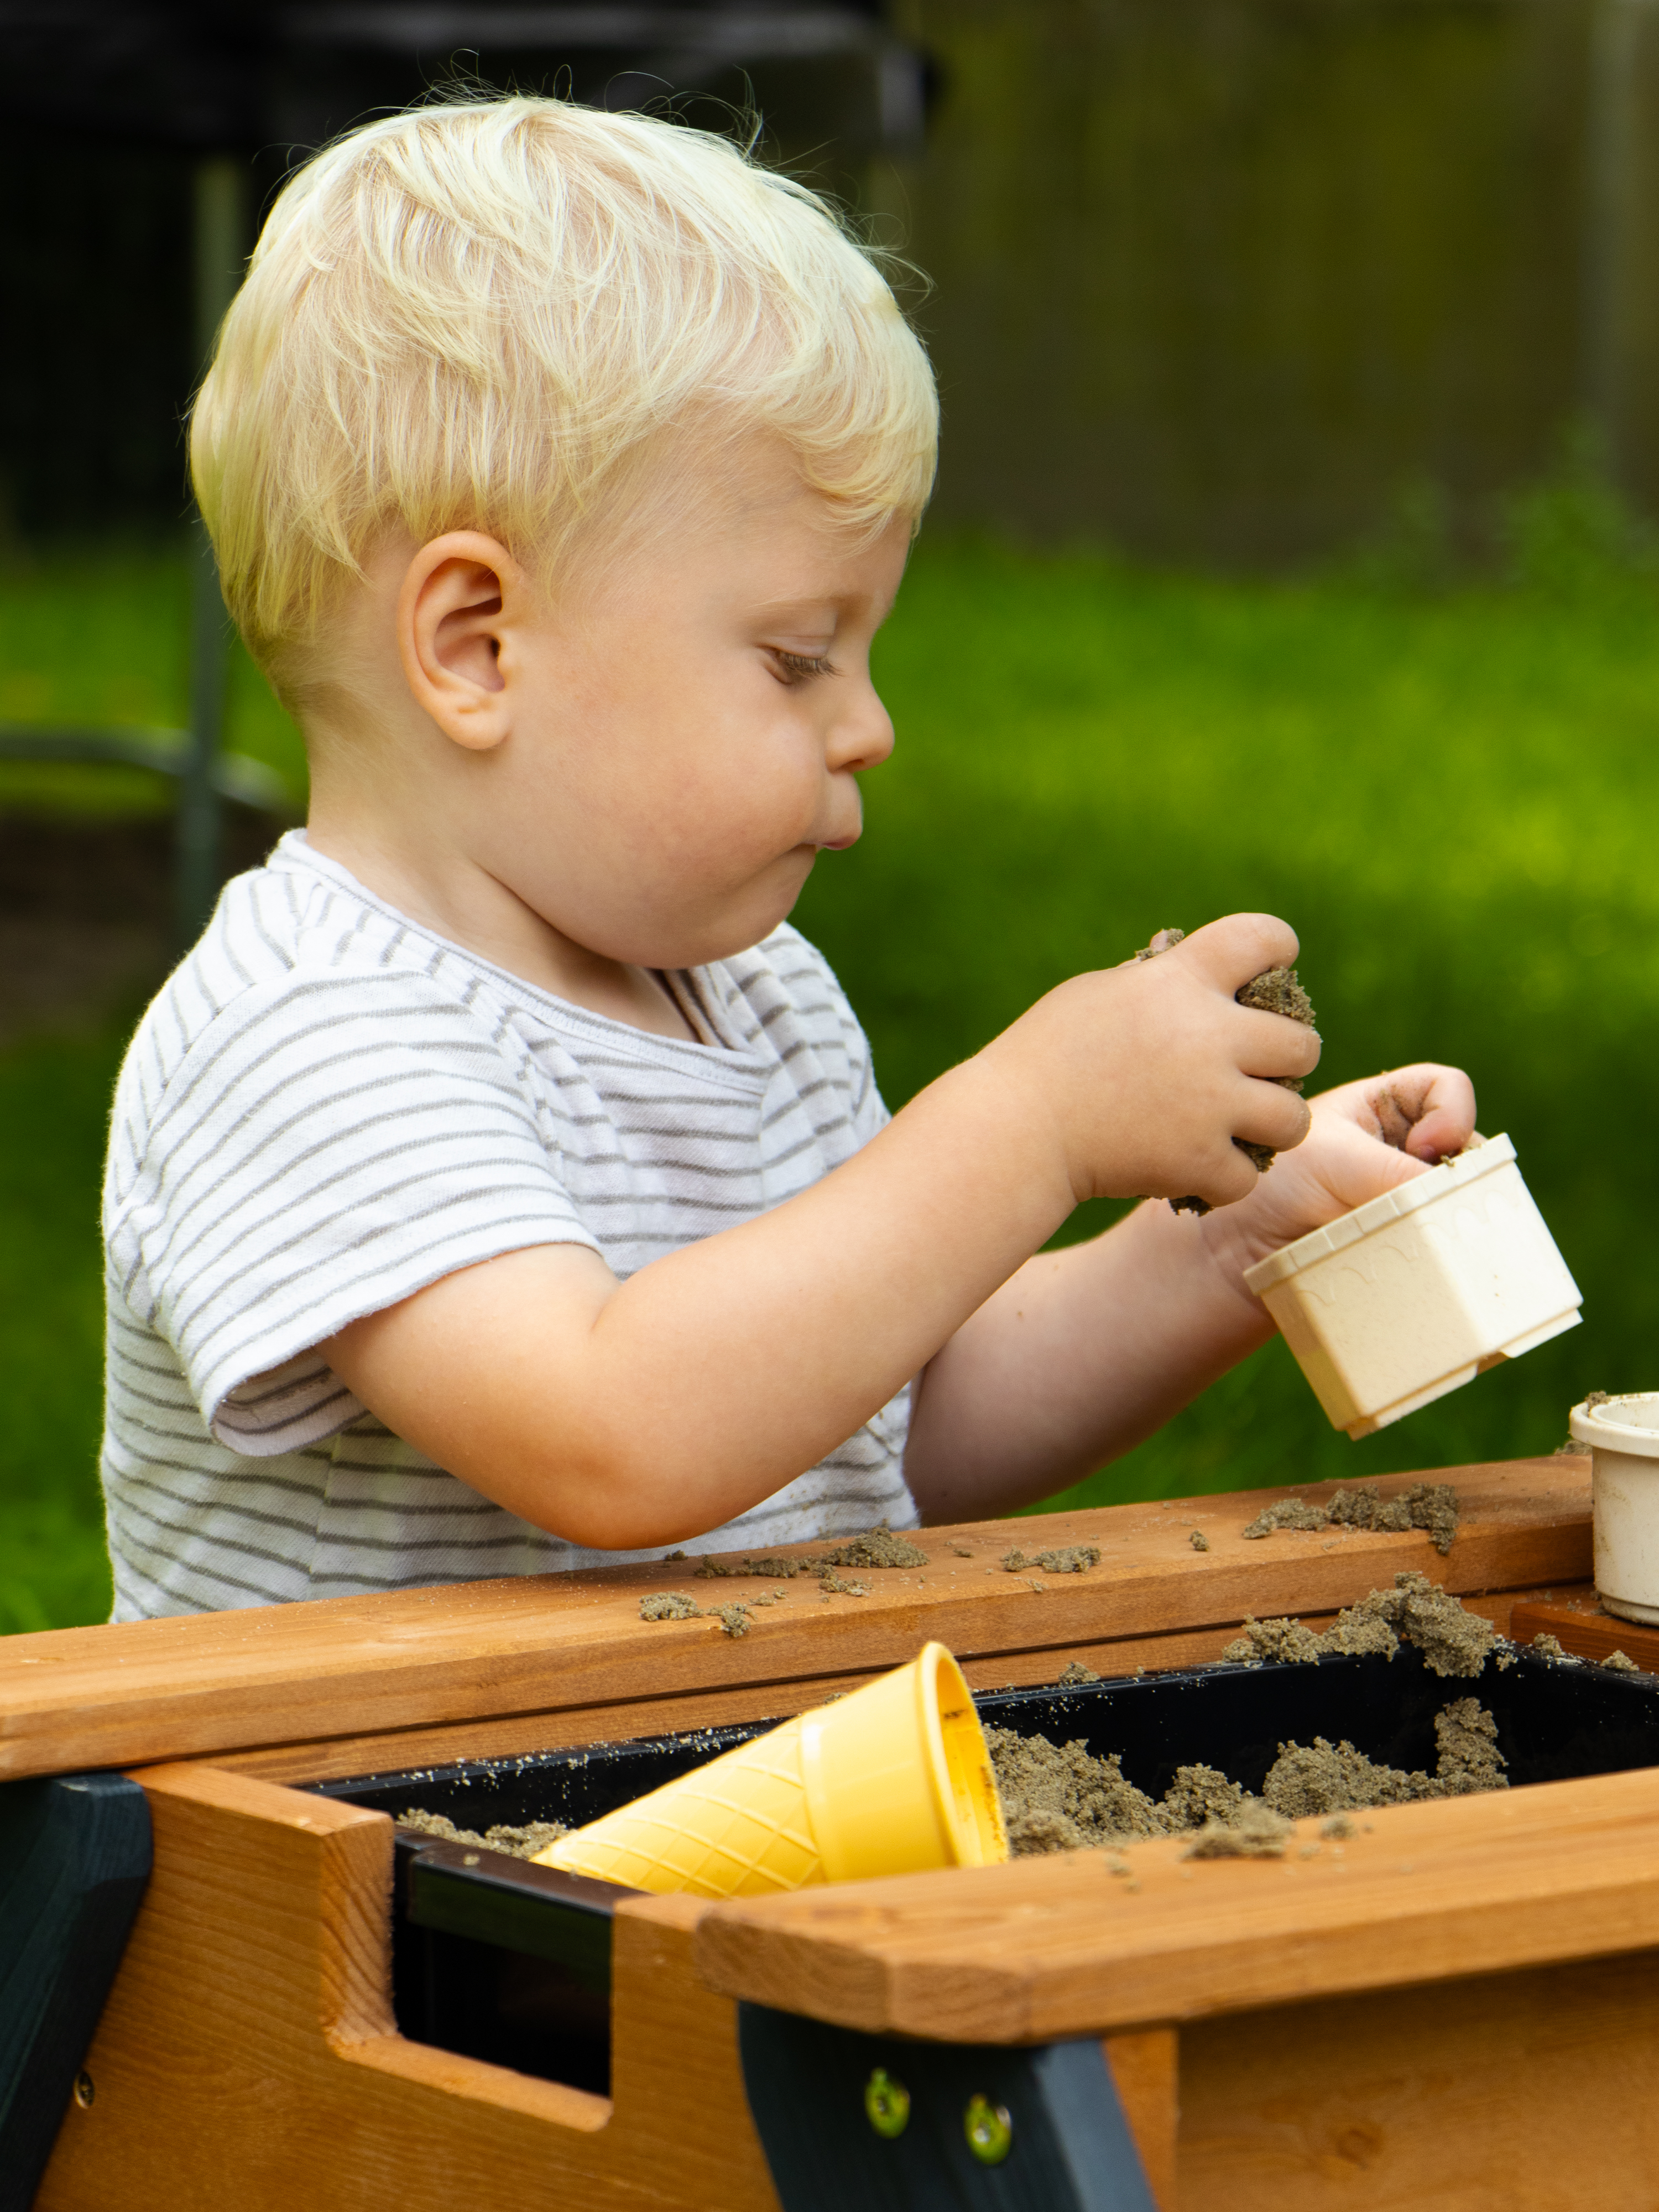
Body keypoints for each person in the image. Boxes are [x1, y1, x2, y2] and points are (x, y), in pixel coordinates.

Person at [100, 96, 1474, 1619]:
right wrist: (1027, 1125)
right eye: (798, 656)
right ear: (476, 644)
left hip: (707, 1810)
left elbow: (882, 1422)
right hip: (360, 1837)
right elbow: (611, 1438)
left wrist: (1236, 1240)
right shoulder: (308, 1031)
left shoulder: (761, 1000)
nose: (872, 725)